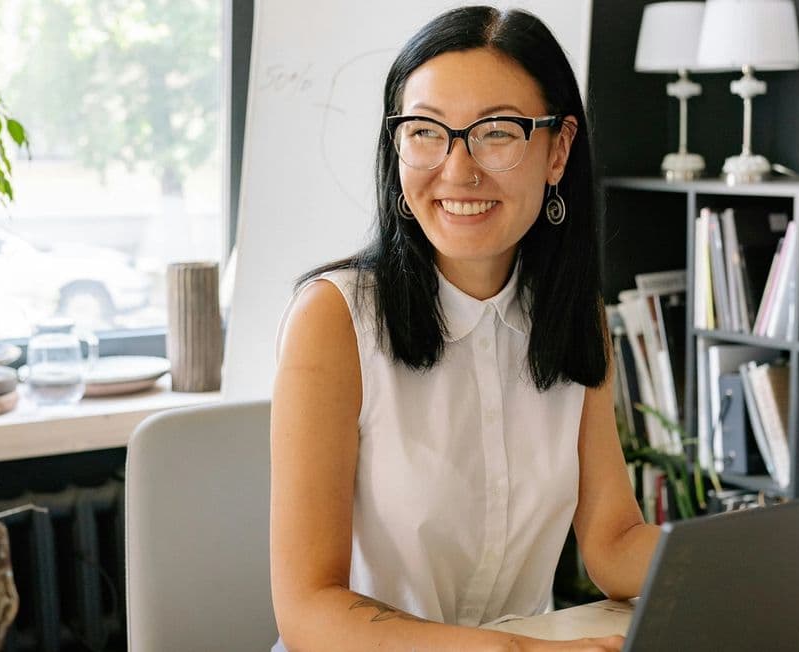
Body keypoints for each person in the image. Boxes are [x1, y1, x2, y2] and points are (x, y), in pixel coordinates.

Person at [270, 6, 660, 651]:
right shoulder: (333, 318)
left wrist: (760, 564)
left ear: (558, 149)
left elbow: (613, 545)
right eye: (425, 131)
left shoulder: (571, 316)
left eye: (497, 132)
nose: (457, 169)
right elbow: (309, 610)